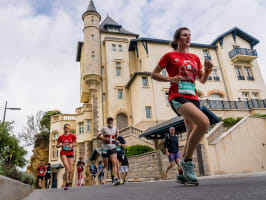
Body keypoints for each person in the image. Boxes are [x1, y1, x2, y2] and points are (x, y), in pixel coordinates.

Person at [151, 27, 213, 185]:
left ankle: (182, 173)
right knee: (204, 123)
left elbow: (202, 80)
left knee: (192, 130)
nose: (188, 37)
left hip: (193, 97)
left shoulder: (194, 57)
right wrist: (169, 80)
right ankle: (187, 161)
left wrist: (208, 70)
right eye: (185, 35)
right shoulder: (169, 56)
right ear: (178, 39)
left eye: (190, 35)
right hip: (177, 96)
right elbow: (154, 74)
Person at [97, 117, 120, 185]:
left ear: (112, 122)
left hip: (113, 148)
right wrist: (103, 138)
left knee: (114, 163)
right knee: (106, 165)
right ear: (107, 122)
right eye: (109, 121)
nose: (110, 122)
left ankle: (115, 178)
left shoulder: (115, 129)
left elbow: (115, 137)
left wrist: (117, 141)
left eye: (111, 121)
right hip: (105, 149)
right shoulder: (104, 129)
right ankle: (101, 172)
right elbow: (97, 136)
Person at [57, 124, 77, 190]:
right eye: (66, 127)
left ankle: (68, 177)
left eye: (68, 127)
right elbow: (57, 145)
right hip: (63, 153)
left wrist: (72, 145)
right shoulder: (61, 137)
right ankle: (66, 183)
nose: (67, 129)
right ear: (64, 128)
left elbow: (76, 143)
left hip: (70, 152)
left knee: (70, 169)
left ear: (69, 129)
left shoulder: (72, 136)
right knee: (66, 166)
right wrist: (60, 145)